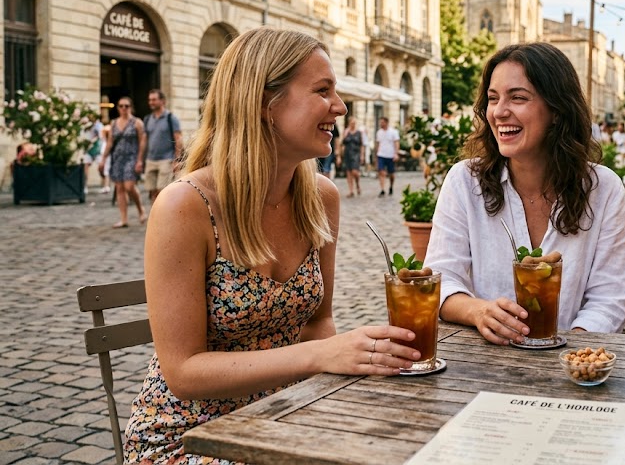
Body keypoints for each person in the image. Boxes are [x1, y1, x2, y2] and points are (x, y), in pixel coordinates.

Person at [122, 27, 419, 463]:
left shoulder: (321, 198)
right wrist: (322, 356)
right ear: (265, 105)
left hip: (283, 416)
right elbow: (183, 373)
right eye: (323, 90)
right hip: (188, 435)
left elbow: (320, 322)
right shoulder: (187, 206)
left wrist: (326, 395)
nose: (339, 106)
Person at [425, 42, 625, 345]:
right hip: (482, 363)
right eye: (493, 99)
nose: (499, 112)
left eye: (518, 98)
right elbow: (441, 280)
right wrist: (479, 311)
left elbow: (609, 298)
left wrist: (570, 351)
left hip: (572, 370)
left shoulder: (603, 188)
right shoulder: (464, 182)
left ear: (557, 111)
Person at [99, 96, 147, 228]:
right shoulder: (114, 123)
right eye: (121, 106)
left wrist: (139, 160)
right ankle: (124, 219)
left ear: (130, 107)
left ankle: (140, 209)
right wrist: (103, 159)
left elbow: (142, 142)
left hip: (132, 157)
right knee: (119, 188)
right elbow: (110, 143)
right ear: (118, 108)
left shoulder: (137, 123)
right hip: (117, 158)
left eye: (126, 106)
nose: (124, 108)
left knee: (129, 186)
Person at [143, 89, 183, 202]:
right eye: (150, 100)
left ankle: (162, 217)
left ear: (162, 101)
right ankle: (155, 217)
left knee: (163, 191)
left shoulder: (171, 118)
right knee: (152, 191)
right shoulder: (147, 119)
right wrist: (141, 159)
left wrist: (177, 159)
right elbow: (144, 140)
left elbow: (178, 139)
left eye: (154, 99)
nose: (151, 102)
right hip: (150, 160)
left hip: (166, 159)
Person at [375, 117, 400, 196]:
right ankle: (382, 189)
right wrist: (377, 153)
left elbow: (396, 143)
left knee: (391, 174)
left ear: (386, 122)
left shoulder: (393, 132)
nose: (381, 124)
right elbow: (378, 143)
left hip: (390, 155)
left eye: (382, 122)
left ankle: (391, 186)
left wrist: (396, 153)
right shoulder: (379, 132)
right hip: (381, 154)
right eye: (380, 122)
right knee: (381, 172)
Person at [341, 118, 364, 196]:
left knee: (355, 172)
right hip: (347, 153)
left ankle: (357, 184)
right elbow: (343, 143)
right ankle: (351, 191)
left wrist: (362, 155)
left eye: (354, 123)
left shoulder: (359, 133)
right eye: (351, 123)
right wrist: (345, 134)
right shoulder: (346, 132)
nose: (353, 124)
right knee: (348, 173)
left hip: (356, 154)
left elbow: (361, 145)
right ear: (349, 123)